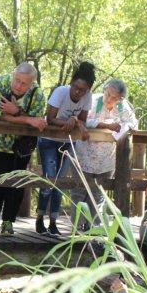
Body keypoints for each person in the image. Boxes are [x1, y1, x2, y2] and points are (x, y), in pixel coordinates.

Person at [0, 62, 47, 236]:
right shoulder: (1, 84)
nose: (18, 86)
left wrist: (16, 112)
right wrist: (27, 118)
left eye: (24, 83)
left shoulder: (38, 95)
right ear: (13, 76)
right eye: (17, 80)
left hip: (22, 147)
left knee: (17, 183)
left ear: (31, 83)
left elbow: (38, 122)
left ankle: (9, 222)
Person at [35, 61, 95, 236]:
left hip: (68, 142)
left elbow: (82, 119)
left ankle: (53, 221)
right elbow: (50, 118)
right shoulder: (60, 92)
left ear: (87, 90)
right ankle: (40, 218)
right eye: (75, 87)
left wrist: (75, 121)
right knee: (49, 179)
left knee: (60, 183)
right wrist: (72, 121)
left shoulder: (87, 97)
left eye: (82, 90)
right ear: (71, 83)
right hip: (49, 140)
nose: (78, 92)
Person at [70, 79, 138, 231]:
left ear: (120, 98)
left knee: (98, 193)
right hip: (84, 154)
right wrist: (106, 125)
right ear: (105, 90)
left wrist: (124, 127)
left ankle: (94, 228)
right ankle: (76, 228)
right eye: (108, 94)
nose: (109, 99)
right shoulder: (92, 101)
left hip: (107, 158)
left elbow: (133, 123)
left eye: (114, 98)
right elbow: (82, 120)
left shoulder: (123, 107)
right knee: (79, 191)